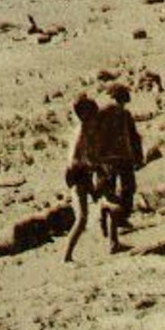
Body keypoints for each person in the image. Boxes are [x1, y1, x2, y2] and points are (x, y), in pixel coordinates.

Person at [91, 84, 144, 251]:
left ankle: (115, 221)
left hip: (121, 159)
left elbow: (134, 137)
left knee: (123, 190)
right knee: (112, 195)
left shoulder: (122, 114)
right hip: (109, 160)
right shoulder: (104, 114)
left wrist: (137, 156)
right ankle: (110, 234)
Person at [62, 95, 104, 263]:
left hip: (83, 174)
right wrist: (91, 164)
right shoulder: (80, 131)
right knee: (81, 218)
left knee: (89, 212)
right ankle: (66, 257)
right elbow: (73, 160)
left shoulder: (87, 130)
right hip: (77, 175)